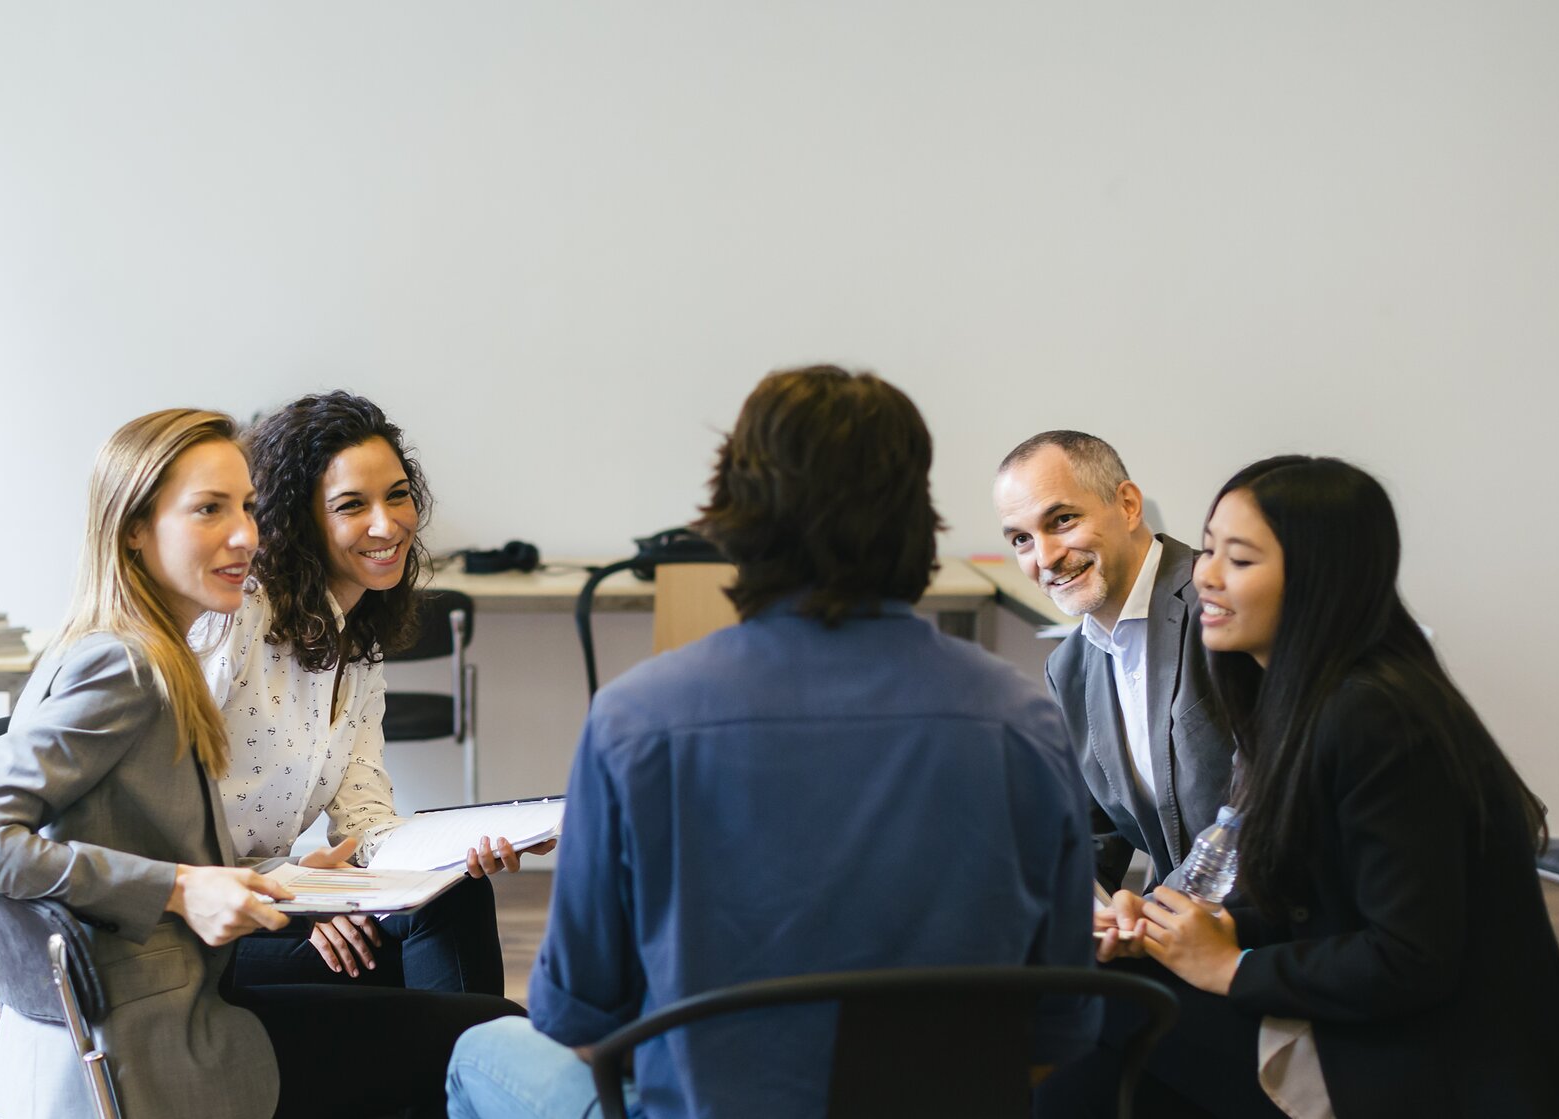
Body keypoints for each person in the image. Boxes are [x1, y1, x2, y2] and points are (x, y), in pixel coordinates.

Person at [444, 366, 1098, 1119]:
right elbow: (1058, 1029)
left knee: (477, 1050)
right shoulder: (1025, 720)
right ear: (917, 518)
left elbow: (579, 1023)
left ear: (734, 517)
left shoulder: (635, 722)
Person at [0, 408, 518, 1119]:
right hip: (164, 1027)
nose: (246, 533)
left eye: (246, 507)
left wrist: (293, 879)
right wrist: (183, 888)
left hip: (171, 989)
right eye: (211, 509)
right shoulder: (132, 664)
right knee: (489, 1038)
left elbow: (167, 836)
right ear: (136, 530)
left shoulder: (144, 652)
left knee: (465, 993)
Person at [1117, 456, 1559, 1118]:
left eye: (1242, 560)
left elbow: (1410, 957)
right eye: (1208, 548)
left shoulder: (1374, 716)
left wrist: (1228, 966)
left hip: (1448, 1072)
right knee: (1124, 989)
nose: (1206, 577)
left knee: (1115, 1017)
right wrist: (1194, 927)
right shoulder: (1301, 697)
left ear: (1319, 582)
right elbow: (1319, 900)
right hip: (1395, 1032)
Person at [198, 391, 553, 994]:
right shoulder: (236, 619)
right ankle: (476, 1071)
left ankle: (467, 1072)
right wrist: (302, 895)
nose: (387, 525)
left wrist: (466, 848)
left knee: (456, 893)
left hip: (279, 895)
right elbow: (151, 818)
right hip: (201, 922)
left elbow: (363, 821)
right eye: (350, 505)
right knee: (407, 978)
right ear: (301, 521)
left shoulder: (357, 645)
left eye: (397, 495)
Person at [992, 430, 1238, 895]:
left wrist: (1154, 915)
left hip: (1275, 933)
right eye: (1022, 539)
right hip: (1179, 928)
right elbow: (1090, 839)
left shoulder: (1223, 605)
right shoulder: (1069, 669)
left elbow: (1262, 813)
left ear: (1127, 505)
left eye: (1062, 520)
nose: (1046, 558)